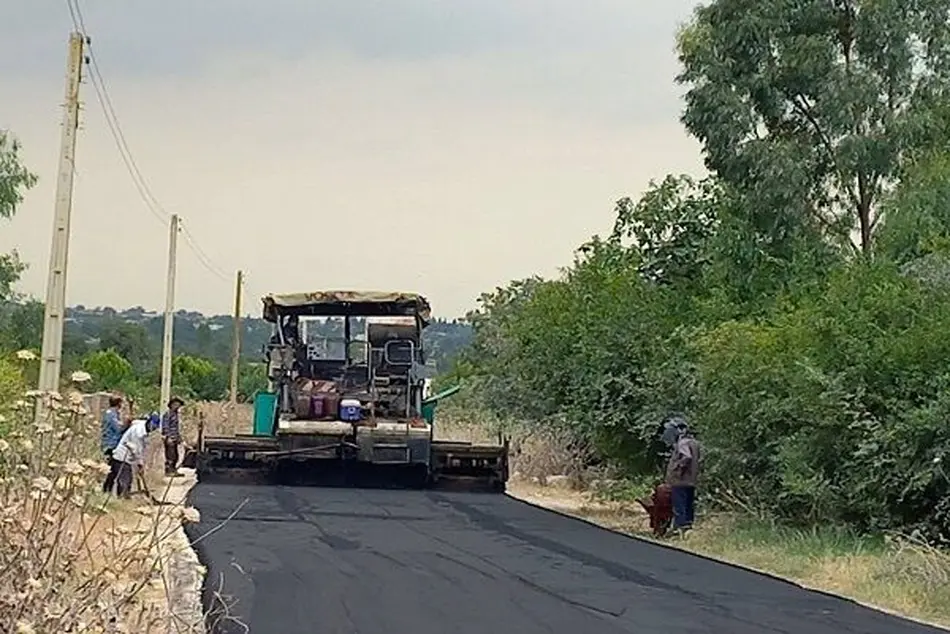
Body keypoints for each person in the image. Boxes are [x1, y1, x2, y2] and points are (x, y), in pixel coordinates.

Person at [662, 415, 701, 533]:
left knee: (679, 505)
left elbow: (686, 457)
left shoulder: (682, 443)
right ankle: (688, 527)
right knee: (689, 504)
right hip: (691, 480)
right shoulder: (694, 443)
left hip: (680, 481)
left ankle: (680, 528)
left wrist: (677, 469)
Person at [110, 412, 161, 499]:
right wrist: (140, 464)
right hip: (122, 457)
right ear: (149, 422)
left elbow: (141, 449)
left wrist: (140, 463)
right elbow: (136, 450)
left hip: (128, 457)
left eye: (155, 427)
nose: (153, 429)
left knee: (126, 479)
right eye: (152, 426)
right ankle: (123, 499)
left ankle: (124, 497)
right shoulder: (138, 432)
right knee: (125, 480)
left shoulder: (143, 428)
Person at [100, 395, 126, 493]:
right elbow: (118, 429)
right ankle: (106, 489)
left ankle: (107, 490)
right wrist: (126, 425)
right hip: (111, 445)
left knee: (112, 470)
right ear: (118, 403)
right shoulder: (112, 415)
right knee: (112, 469)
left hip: (110, 443)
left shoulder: (110, 413)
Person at [161, 396, 185, 477]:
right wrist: (168, 437)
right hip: (170, 438)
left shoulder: (175, 414)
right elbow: (165, 426)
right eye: (176, 404)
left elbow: (176, 428)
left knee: (175, 455)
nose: (177, 406)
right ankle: (169, 471)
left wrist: (179, 438)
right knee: (170, 455)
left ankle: (173, 470)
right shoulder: (168, 414)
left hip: (175, 438)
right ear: (171, 405)